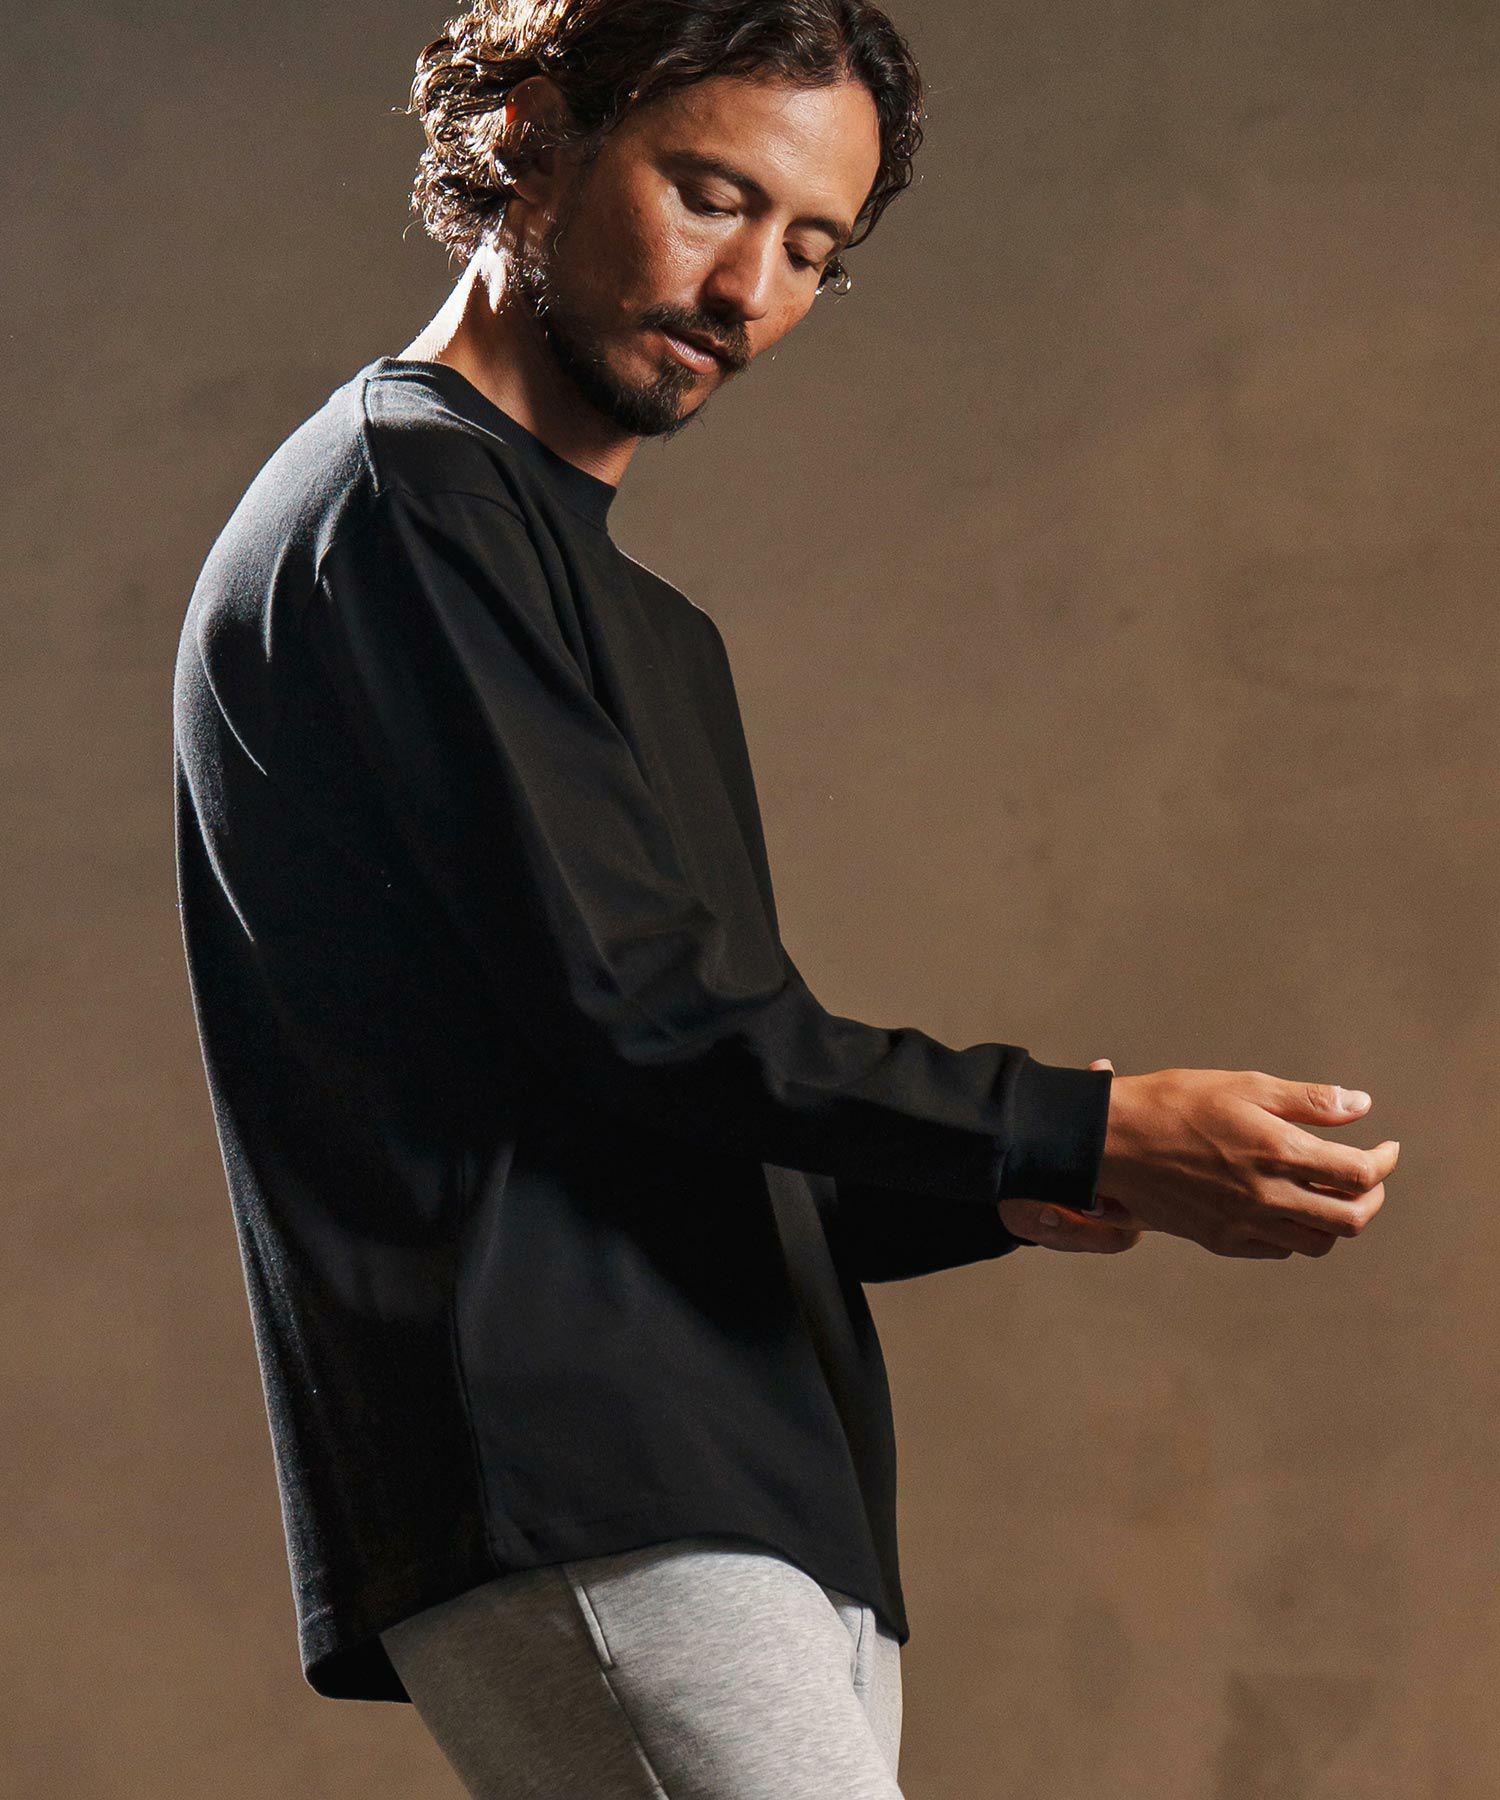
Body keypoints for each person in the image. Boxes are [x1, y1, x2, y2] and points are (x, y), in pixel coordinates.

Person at [170, 0, 1399, 1793]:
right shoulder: (406, 506)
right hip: (591, 1476)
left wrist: (1024, 1174)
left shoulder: (634, 617)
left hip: (752, 1487)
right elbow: (649, 1018)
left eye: (814, 247)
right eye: (713, 195)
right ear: (533, 130)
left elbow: (656, 1100)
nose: (748, 291)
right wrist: (1075, 1121)